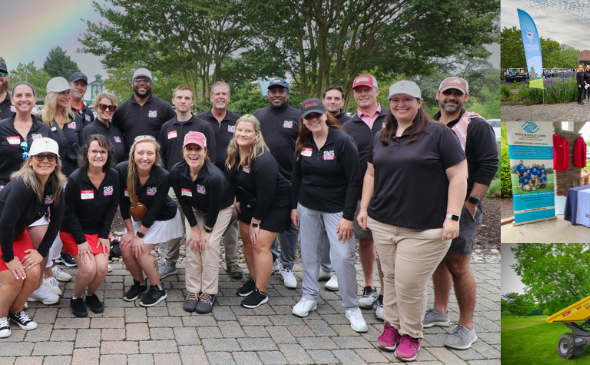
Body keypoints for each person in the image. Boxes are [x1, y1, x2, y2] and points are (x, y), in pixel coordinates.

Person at [357, 80, 467, 361]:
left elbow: (458, 176)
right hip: (383, 223)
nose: (400, 105)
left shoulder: (438, 133)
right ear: (390, 103)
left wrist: (452, 218)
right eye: (395, 99)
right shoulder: (383, 133)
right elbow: (371, 174)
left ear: (420, 103)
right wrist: (364, 208)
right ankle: (392, 326)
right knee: (391, 278)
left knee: (408, 283)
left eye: (408, 99)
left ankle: (411, 334)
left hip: (425, 228)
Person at [427, 76, 498, 350]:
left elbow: (489, 163)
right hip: (434, 206)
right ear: (438, 95)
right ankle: (439, 311)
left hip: (463, 208)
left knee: (458, 265)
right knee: (439, 260)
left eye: (458, 94)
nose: (452, 98)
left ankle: (467, 326)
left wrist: (472, 201)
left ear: (465, 97)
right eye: (447, 93)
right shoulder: (430, 125)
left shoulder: (476, 125)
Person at [290, 98, 367, 332]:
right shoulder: (303, 141)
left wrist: (347, 216)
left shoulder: (342, 141)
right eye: (308, 116)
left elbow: (355, 180)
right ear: (303, 120)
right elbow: (297, 176)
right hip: (307, 206)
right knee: (310, 253)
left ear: (325, 115)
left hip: (337, 208)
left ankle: (351, 307)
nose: (313, 119)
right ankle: (309, 296)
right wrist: (294, 206)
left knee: (343, 256)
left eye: (317, 115)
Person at [0, 82, 61, 305]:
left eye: (28, 95)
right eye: (19, 95)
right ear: (12, 100)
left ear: (35, 99)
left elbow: (53, 159)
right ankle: (11, 283)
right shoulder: (2, 127)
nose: (24, 99)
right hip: (6, 191)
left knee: (41, 239)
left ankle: (35, 286)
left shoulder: (44, 129)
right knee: (8, 233)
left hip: (37, 191)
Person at [0, 138, 66, 338]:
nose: (45, 161)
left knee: (34, 274)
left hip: (17, 234)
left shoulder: (56, 186)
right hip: (3, 234)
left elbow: (56, 221)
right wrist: (10, 259)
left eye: (50, 157)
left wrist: (41, 252)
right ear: (30, 160)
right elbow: (5, 225)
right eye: (39, 156)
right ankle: (1, 315)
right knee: (14, 278)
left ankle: (16, 311)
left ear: (56, 162)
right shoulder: (22, 186)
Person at [226, 115, 291, 308]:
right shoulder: (232, 153)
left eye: (248, 131)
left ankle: (261, 292)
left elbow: (266, 196)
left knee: (260, 245)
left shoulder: (263, 159)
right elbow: (233, 181)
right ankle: (254, 280)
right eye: (240, 130)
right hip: (250, 202)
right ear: (234, 131)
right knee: (247, 240)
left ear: (256, 135)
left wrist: (256, 222)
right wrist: (238, 200)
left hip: (274, 204)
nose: (243, 134)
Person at [115, 135, 183, 307]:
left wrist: (139, 236)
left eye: (150, 153)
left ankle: (158, 288)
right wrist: (130, 232)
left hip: (163, 216)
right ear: (133, 155)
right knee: (125, 249)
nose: (145, 157)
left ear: (156, 156)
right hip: (138, 216)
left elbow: (155, 209)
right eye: (141, 153)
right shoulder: (121, 170)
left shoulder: (163, 176)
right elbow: (123, 204)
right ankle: (139, 283)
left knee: (141, 249)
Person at [170, 132, 234, 313]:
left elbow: (214, 208)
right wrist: (193, 228)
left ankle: (208, 292)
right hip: (195, 209)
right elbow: (183, 202)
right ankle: (193, 290)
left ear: (205, 152)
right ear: (183, 151)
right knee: (192, 242)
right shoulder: (176, 171)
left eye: (197, 149)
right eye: (189, 148)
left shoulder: (214, 177)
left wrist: (206, 230)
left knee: (210, 244)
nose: (193, 153)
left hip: (220, 209)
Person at [157, 85, 216, 279]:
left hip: (199, 184)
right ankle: (171, 262)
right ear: (173, 101)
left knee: (198, 224)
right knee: (173, 222)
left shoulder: (204, 126)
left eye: (187, 98)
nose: (183, 101)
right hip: (174, 185)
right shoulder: (166, 127)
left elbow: (211, 156)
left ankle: (200, 265)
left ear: (192, 102)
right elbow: (162, 158)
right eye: (179, 97)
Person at [341, 74, 387, 318]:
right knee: (366, 241)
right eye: (358, 90)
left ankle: (385, 295)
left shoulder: (392, 118)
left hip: (391, 193)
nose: (362, 94)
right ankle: (369, 287)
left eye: (367, 89)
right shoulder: (348, 126)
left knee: (386, 244)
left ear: (377, 91)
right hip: (360, 194)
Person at [61, 135, 119, 317]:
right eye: (94, 151)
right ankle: (76, 298)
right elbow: (68, 212)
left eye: (103, 151)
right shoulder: (75, 179)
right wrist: (80, 240)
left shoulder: (114, 176)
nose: (98, 155)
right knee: (88, 270)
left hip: (98, 232)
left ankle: (91, 295)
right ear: (86, 153)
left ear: (108, 154)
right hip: (73, 232)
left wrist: (104, 234)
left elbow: (111, 208)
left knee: (101, 269)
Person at [253, 78, 301, 289]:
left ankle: (287, 266)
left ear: (288, 93)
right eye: (273, 91)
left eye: (281, 90)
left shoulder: (298, 115)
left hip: (291, 179)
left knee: (291, 225)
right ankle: (270, 261)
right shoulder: (258, 115)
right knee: (267, 222)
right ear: (268, 94)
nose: (277, 94)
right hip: (264, 179)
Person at [38, 77, 84, 286]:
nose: (67, 96)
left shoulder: (75, 117)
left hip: (72, 179)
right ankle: (45, 274)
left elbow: (82, 148)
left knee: (61, 223)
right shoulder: (40, 120)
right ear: (52, 96)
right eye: (63, 93)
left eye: (69, 92)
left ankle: (53, 265)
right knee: (47, 224)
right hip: (50, 180)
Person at [196, 81, 243, 280]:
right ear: (211, 97)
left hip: (231, 180)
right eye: (217, 94)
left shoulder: (238, 121)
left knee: (231, 225)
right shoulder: (199, 120)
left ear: (229, 97)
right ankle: (200, 262)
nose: (221, 97)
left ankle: (232, 263)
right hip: (205, 180)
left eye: (225, 94)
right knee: (202, 221)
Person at [111, 68, 176, 152]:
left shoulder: (164, 107)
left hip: (156, 160)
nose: (142, 83)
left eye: (146, 80)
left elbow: (174, 129)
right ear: (132, 83)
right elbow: (114, 135)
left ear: (151, 84)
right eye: (138, 80)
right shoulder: (121, 109)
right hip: (129, 161)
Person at [82, 92, 126, 163]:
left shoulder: (117, 131)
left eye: (111, 107)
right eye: (103, 106)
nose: (107, 110)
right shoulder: (88, 130)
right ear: (96, 107)